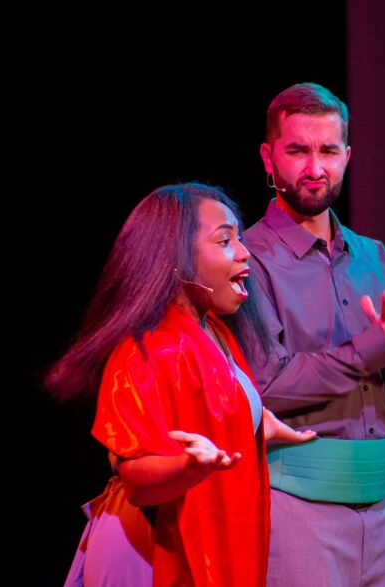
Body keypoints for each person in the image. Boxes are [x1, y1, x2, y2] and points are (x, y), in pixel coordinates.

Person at [46, 183, 314, 586]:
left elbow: (213, 407)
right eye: (224, 241)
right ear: (175, 259)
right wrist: (187, 465)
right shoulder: (149, 348)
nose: (244, 253)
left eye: (239, 238)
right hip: (149, 549)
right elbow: (136, 477)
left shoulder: (215, 333)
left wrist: (256, 423)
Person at [242, 82, 385, 587]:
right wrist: (377, 346)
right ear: (269, 158)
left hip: (382, 506)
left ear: (348, 156)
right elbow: (268, 385)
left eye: (329, 151)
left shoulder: (374, 257)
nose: (315, 168)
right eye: (298, 150)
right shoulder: (249, 259)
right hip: (299, 506)